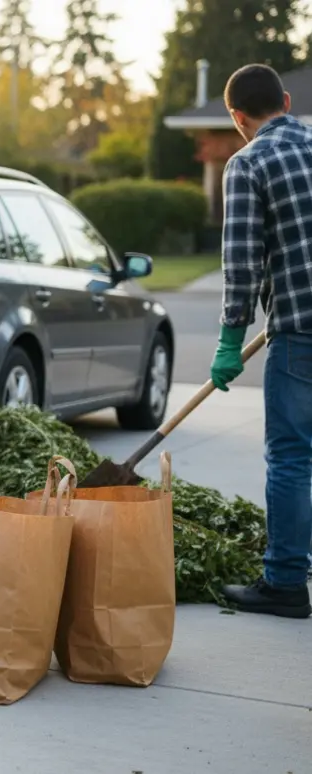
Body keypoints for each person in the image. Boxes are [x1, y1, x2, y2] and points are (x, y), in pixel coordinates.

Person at [211, 63, 312, 619]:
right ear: (288, 100)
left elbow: (241, 263)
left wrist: (230, 341)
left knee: (293, 458)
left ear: (237, 118)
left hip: (303, 333)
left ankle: (285, 584)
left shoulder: (247, 162)